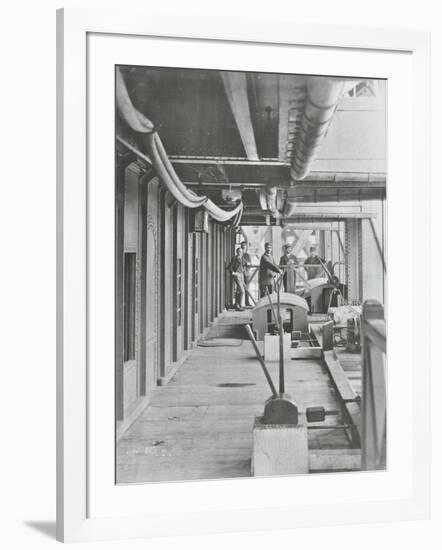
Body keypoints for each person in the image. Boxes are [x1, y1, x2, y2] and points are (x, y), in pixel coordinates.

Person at [240, 241, 252, 307]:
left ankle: (247, 302)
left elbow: (250, 263)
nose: (243, 247)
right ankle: (239, 303)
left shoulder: (247, 255)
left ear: (246, 247)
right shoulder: (239, 254)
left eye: (244, 246)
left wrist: (247, 263)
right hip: (240, 273)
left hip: (246, 273)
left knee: (247, 288)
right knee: (240, 289)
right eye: (242, 246)